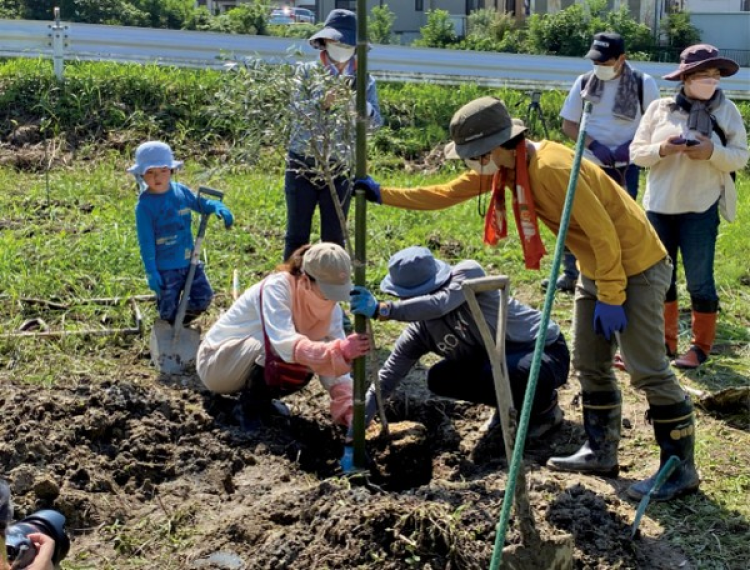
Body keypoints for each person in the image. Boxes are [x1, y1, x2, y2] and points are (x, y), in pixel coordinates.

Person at [355, 96, 698, 501]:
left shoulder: (551, 169)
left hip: (635, 266)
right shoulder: (508, 167)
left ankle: (679, 468)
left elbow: (606, 235)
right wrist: (382, 194)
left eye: (473, 155)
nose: (470, 164)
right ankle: (600, 450)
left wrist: (611, 294)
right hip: (596, 268)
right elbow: (445, 193)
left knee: (646, 368)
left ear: (494, 147)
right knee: (591, 362)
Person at [348, 246, 570, 441]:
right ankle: (506, 407)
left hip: (543, 351)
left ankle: (545, 411)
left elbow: (439, 305)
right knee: (439, 378)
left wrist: (383, 310)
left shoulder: (468, 275)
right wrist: (357, 428)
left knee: (518, 371)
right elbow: (386, 380)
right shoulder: (420, 332)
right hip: (496, 366)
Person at [631, 44, 748, 369]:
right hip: (660, 207)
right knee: (659, 280)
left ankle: (700, 346)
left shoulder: (727, 112)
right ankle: (663, 342)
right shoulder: (660, 109)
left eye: (715, 75)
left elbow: (740, 155)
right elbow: (637, 153)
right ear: (685, 78)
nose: (710, 81)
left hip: (701, 208)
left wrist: (712, 152)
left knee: (700, 279)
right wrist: (663, 150)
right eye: (702, 75)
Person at [196, 242, 370, 431]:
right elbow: (284, 342)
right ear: (305, 280)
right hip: (218, 363)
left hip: (252, 360)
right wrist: (335, 350)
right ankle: (248, 410)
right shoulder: (277, 288)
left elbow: (335, 369)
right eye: (328, 292)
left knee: (312, 353)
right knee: (293, 349)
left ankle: (261, 403)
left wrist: (347, 405)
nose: (333, 300)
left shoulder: (332, 311)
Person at [550, 32, 660, 293]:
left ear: (621, 59)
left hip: (626, 167)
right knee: (577, 220)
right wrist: (593, 146)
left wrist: (630, 148)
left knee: (621, 221)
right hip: (589, 163)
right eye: (595, 61)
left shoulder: (644, 84)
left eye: (605, 62)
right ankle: (571, 273)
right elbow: (569, 124)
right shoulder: (585, 82)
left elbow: (655, 123)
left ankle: (623, 272)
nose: (599, 67)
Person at [283, 9, 382, 262]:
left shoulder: (364, 79)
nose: (342, 47)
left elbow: (376, 124)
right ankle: (291, 288)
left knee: (334, 237)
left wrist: (364, 110)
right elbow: (295, 111)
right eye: (337, 42)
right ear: (325, 42)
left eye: (347, 43)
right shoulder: (306, 72)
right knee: (297, 235)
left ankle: (327, 292)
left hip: (340, 166)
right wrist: (322, 103)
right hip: (303, 162)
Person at [128, 141, 234, 324]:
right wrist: (151, 271)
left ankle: (180, 325)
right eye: (150, 172)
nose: (157, 177)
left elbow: (200, 204)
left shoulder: (181, 192)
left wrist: (215, 206)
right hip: (165, 268)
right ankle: (167, 331)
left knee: (203, 297)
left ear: (171, 170)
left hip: (189, 261)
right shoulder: (145, 206)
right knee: (168, 310)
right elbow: (146, 242)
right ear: (141, 175)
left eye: (163, 171)